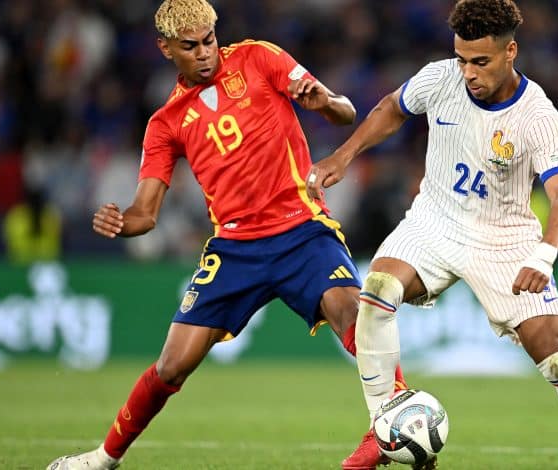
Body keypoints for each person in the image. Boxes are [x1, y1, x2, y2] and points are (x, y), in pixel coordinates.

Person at [47, 1, 408, 468]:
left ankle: (391, 427)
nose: (204, 53)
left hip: (302, 229)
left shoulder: (260, 58)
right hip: (235, 249)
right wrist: (122, 223)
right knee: (172, 365)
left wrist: (325, 102)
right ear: (165, 49)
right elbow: (146, 213)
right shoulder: (166, 122)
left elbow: (345, 111)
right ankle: (103, 458)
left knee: (353, 313)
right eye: (190, 46)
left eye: (209, 41)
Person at [309, 1, 558, 469]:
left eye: (480, 61)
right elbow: (391, 109)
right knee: (375, 292)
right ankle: (383, 427)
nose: (469, 72)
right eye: (462, 58)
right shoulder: (441, 79)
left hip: (505, 239)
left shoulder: (536, 115)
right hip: (435, 220)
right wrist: (344, 155)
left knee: (557, 358)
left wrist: (544, 255)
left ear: (510, 51)